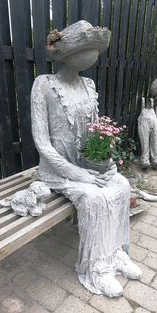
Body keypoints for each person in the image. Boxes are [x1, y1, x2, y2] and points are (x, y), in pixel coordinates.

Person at [30, 20, 141, 297]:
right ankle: (97, 268)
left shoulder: (89, 85)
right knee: (93, 199)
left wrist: (106, 160)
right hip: (57, 170)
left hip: (89, 165)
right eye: (87, 48)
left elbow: (96, 133)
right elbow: (42, 143)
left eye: (95, 50)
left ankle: (116, 254)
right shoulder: (43, 85)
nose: (93, 55)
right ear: (66, 53)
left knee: (121, 186)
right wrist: (76, 173)